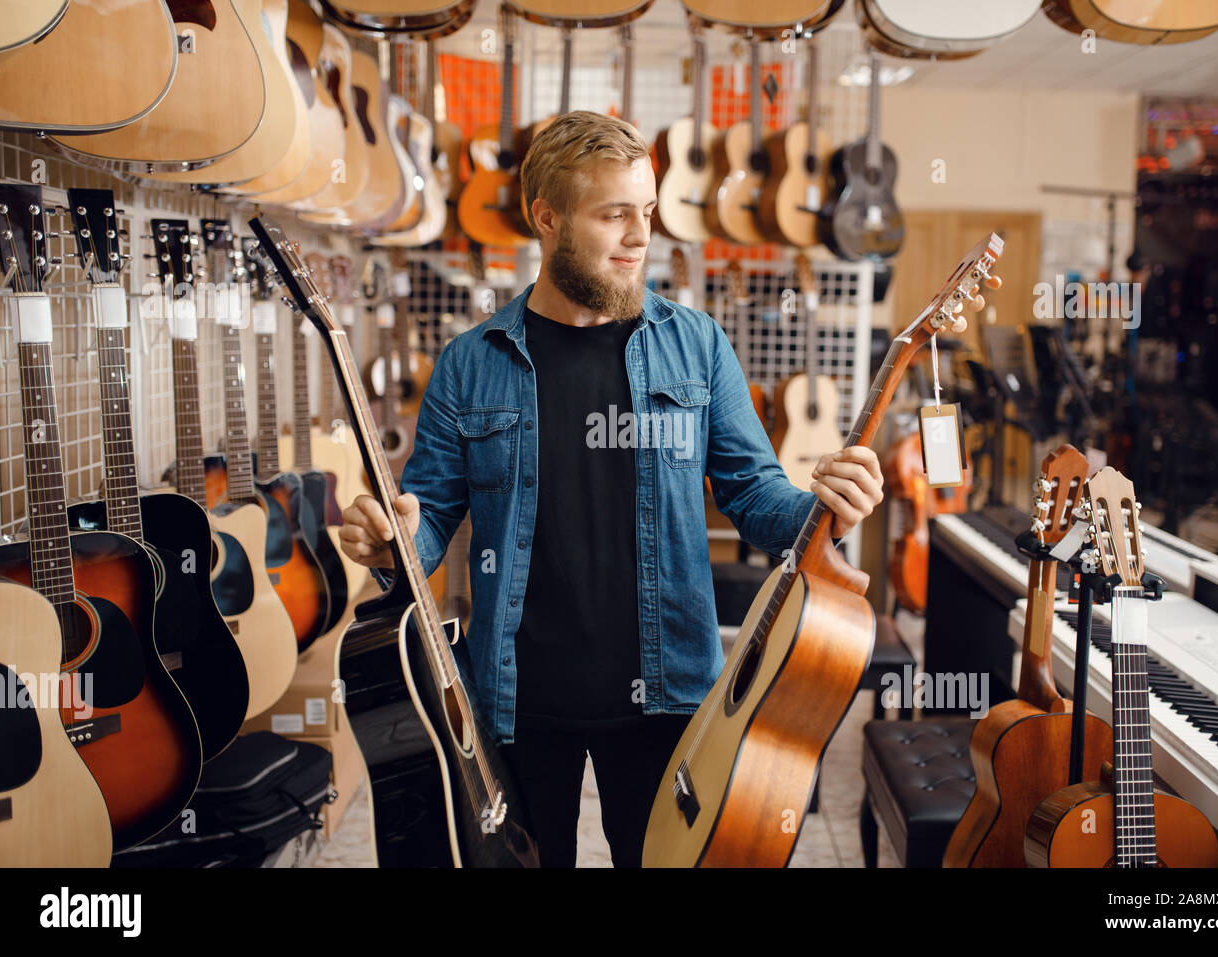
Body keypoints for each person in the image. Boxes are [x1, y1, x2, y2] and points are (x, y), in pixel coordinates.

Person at [337, 110, 885, 867]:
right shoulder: (470, 363)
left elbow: (757, 496)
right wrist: (391, 541)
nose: (640, 236)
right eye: (615, 214)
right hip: (517, 704)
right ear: (547, 216)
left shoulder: (696, 344)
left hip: (665, 698)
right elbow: (426, 521)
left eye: (649, 212)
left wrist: (826, 509)